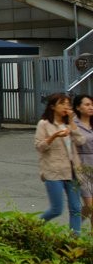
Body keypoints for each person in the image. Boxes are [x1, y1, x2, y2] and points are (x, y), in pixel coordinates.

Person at [34, 92, 87, 236]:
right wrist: (54, 136)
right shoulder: (44, 124)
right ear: (52, 106)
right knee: (56, 209)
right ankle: (32, 227)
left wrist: (72, 123)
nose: (66, 107)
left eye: (68, 104)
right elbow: (39, 146)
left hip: (72, 171)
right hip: (54, 171)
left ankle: (73, 240)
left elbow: (81, 141)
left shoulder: (70, 123)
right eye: (62, 104)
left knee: (76, 208)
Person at [72, 93, 93, 234]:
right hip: (82, 165)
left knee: (89, 208)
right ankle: (74, 229)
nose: (91, 107)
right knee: (90, 206)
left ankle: (74, 229)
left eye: (92, 104)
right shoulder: (74, 124)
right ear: (78, 107)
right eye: (87, 104)